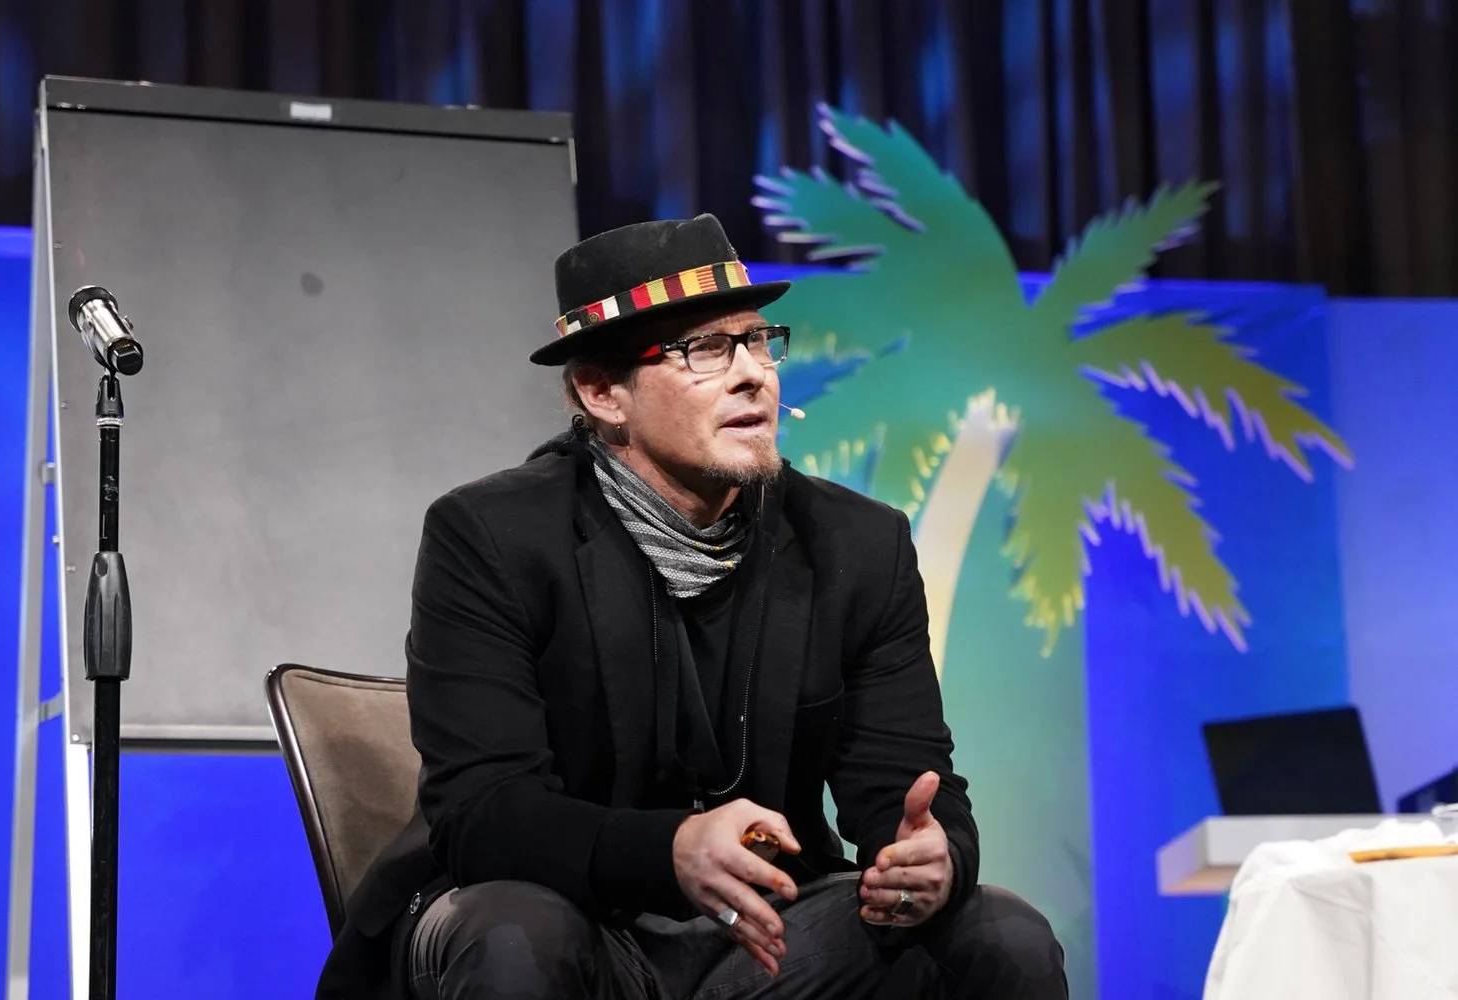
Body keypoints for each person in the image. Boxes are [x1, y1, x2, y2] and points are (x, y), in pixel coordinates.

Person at [316, 214, 1067, 999]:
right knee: (520, 936)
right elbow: (484, 814)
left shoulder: (857, 543)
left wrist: (931, 857)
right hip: (557, 913)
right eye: (705, 349)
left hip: (764, 935)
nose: (754, 375)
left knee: (999, 937)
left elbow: (906, 785)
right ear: (602, 392)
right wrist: (670, 848)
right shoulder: (494, 536)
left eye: (756, 340)